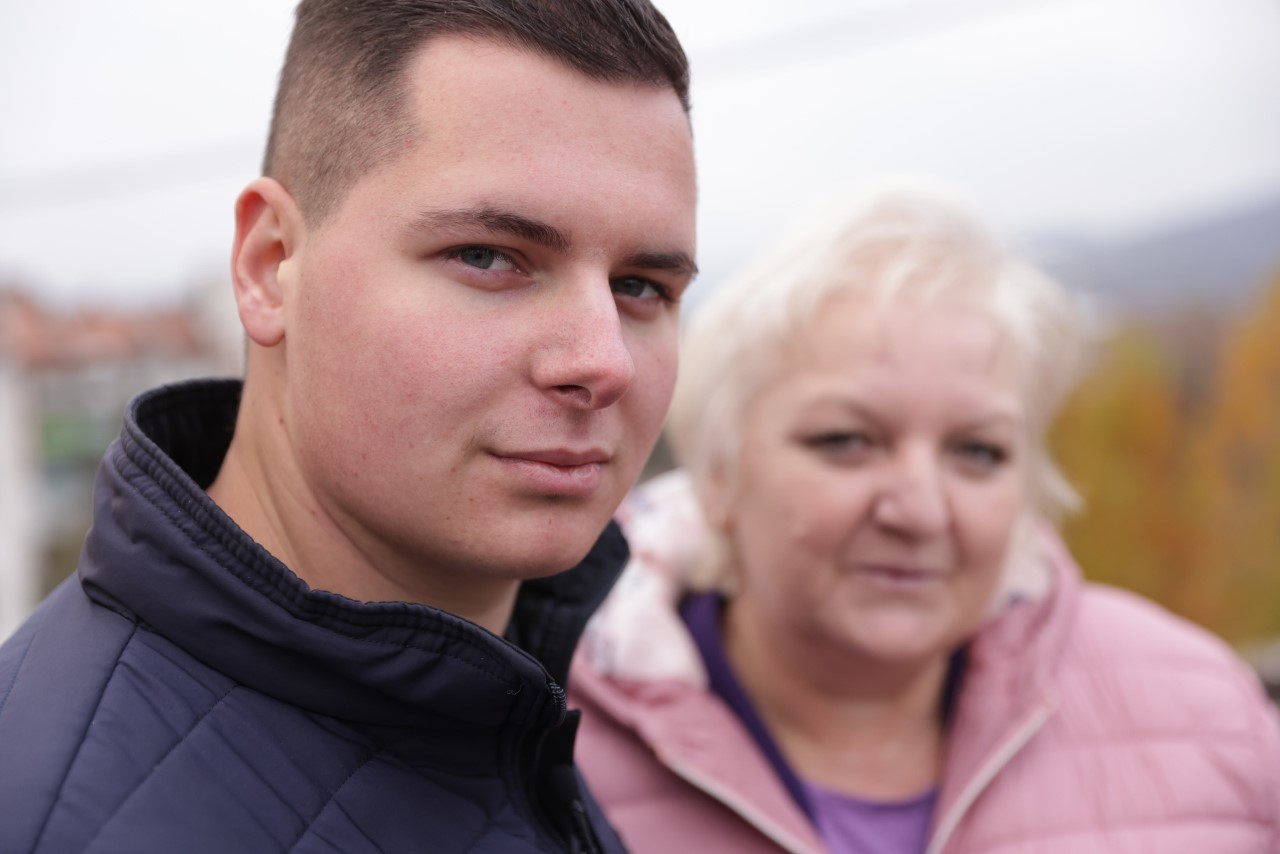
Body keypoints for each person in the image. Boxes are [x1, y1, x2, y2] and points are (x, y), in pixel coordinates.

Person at [0, 1, 697, 851]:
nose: (604, 360)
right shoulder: (47, 811)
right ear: (269, 267)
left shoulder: (509, 713)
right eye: (487, 256)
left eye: (642, 287)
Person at [570, 183, 1280, 853]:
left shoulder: (1206, 712)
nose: (921, 510)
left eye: (977, 451)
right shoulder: (538, 744)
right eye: (846, 441)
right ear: (718, 474)